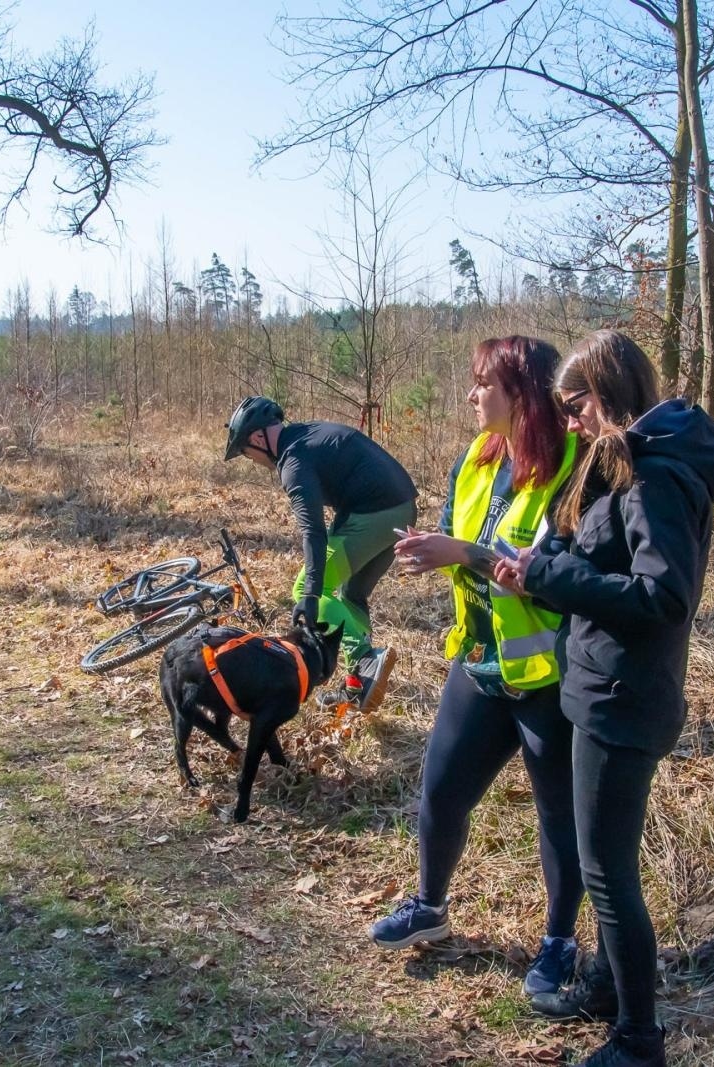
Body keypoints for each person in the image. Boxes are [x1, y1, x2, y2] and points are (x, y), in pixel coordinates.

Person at [495, 330, 714, 1067]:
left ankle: (638, 1040)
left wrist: (550, 581)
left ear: (608, 395)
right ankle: (604, 984)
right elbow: (598, 549)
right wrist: (549, 559)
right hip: (597, 686)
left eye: (576, 407)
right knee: (603, 861)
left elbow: (663, 595)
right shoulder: (621, 462)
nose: (569, 423)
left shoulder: (656, 475)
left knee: (607, 871)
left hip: (624, 700)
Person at [368, 336, 585, 1000]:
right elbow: (453, 529)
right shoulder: (478, 456)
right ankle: (430, 906)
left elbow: (559, 577)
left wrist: (459, 549)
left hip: (547, 676)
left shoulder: (572, 465)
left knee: (559, 817)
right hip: (482, 662)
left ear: (520, 393)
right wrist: (427, 546)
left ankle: (558, 944)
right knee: (440, 792)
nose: (471, 395)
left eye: (483, 383)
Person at [223, 395, 416, 711]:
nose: (252, 460)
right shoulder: (306, 434)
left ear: (257, 438)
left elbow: (313, 531)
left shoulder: (293, 464)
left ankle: (367, 659)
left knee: (306, 588)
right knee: (351, 594)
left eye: (245, 453)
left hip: (376, 513)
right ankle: (359, 686)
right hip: (402, 508)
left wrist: (310, 595)